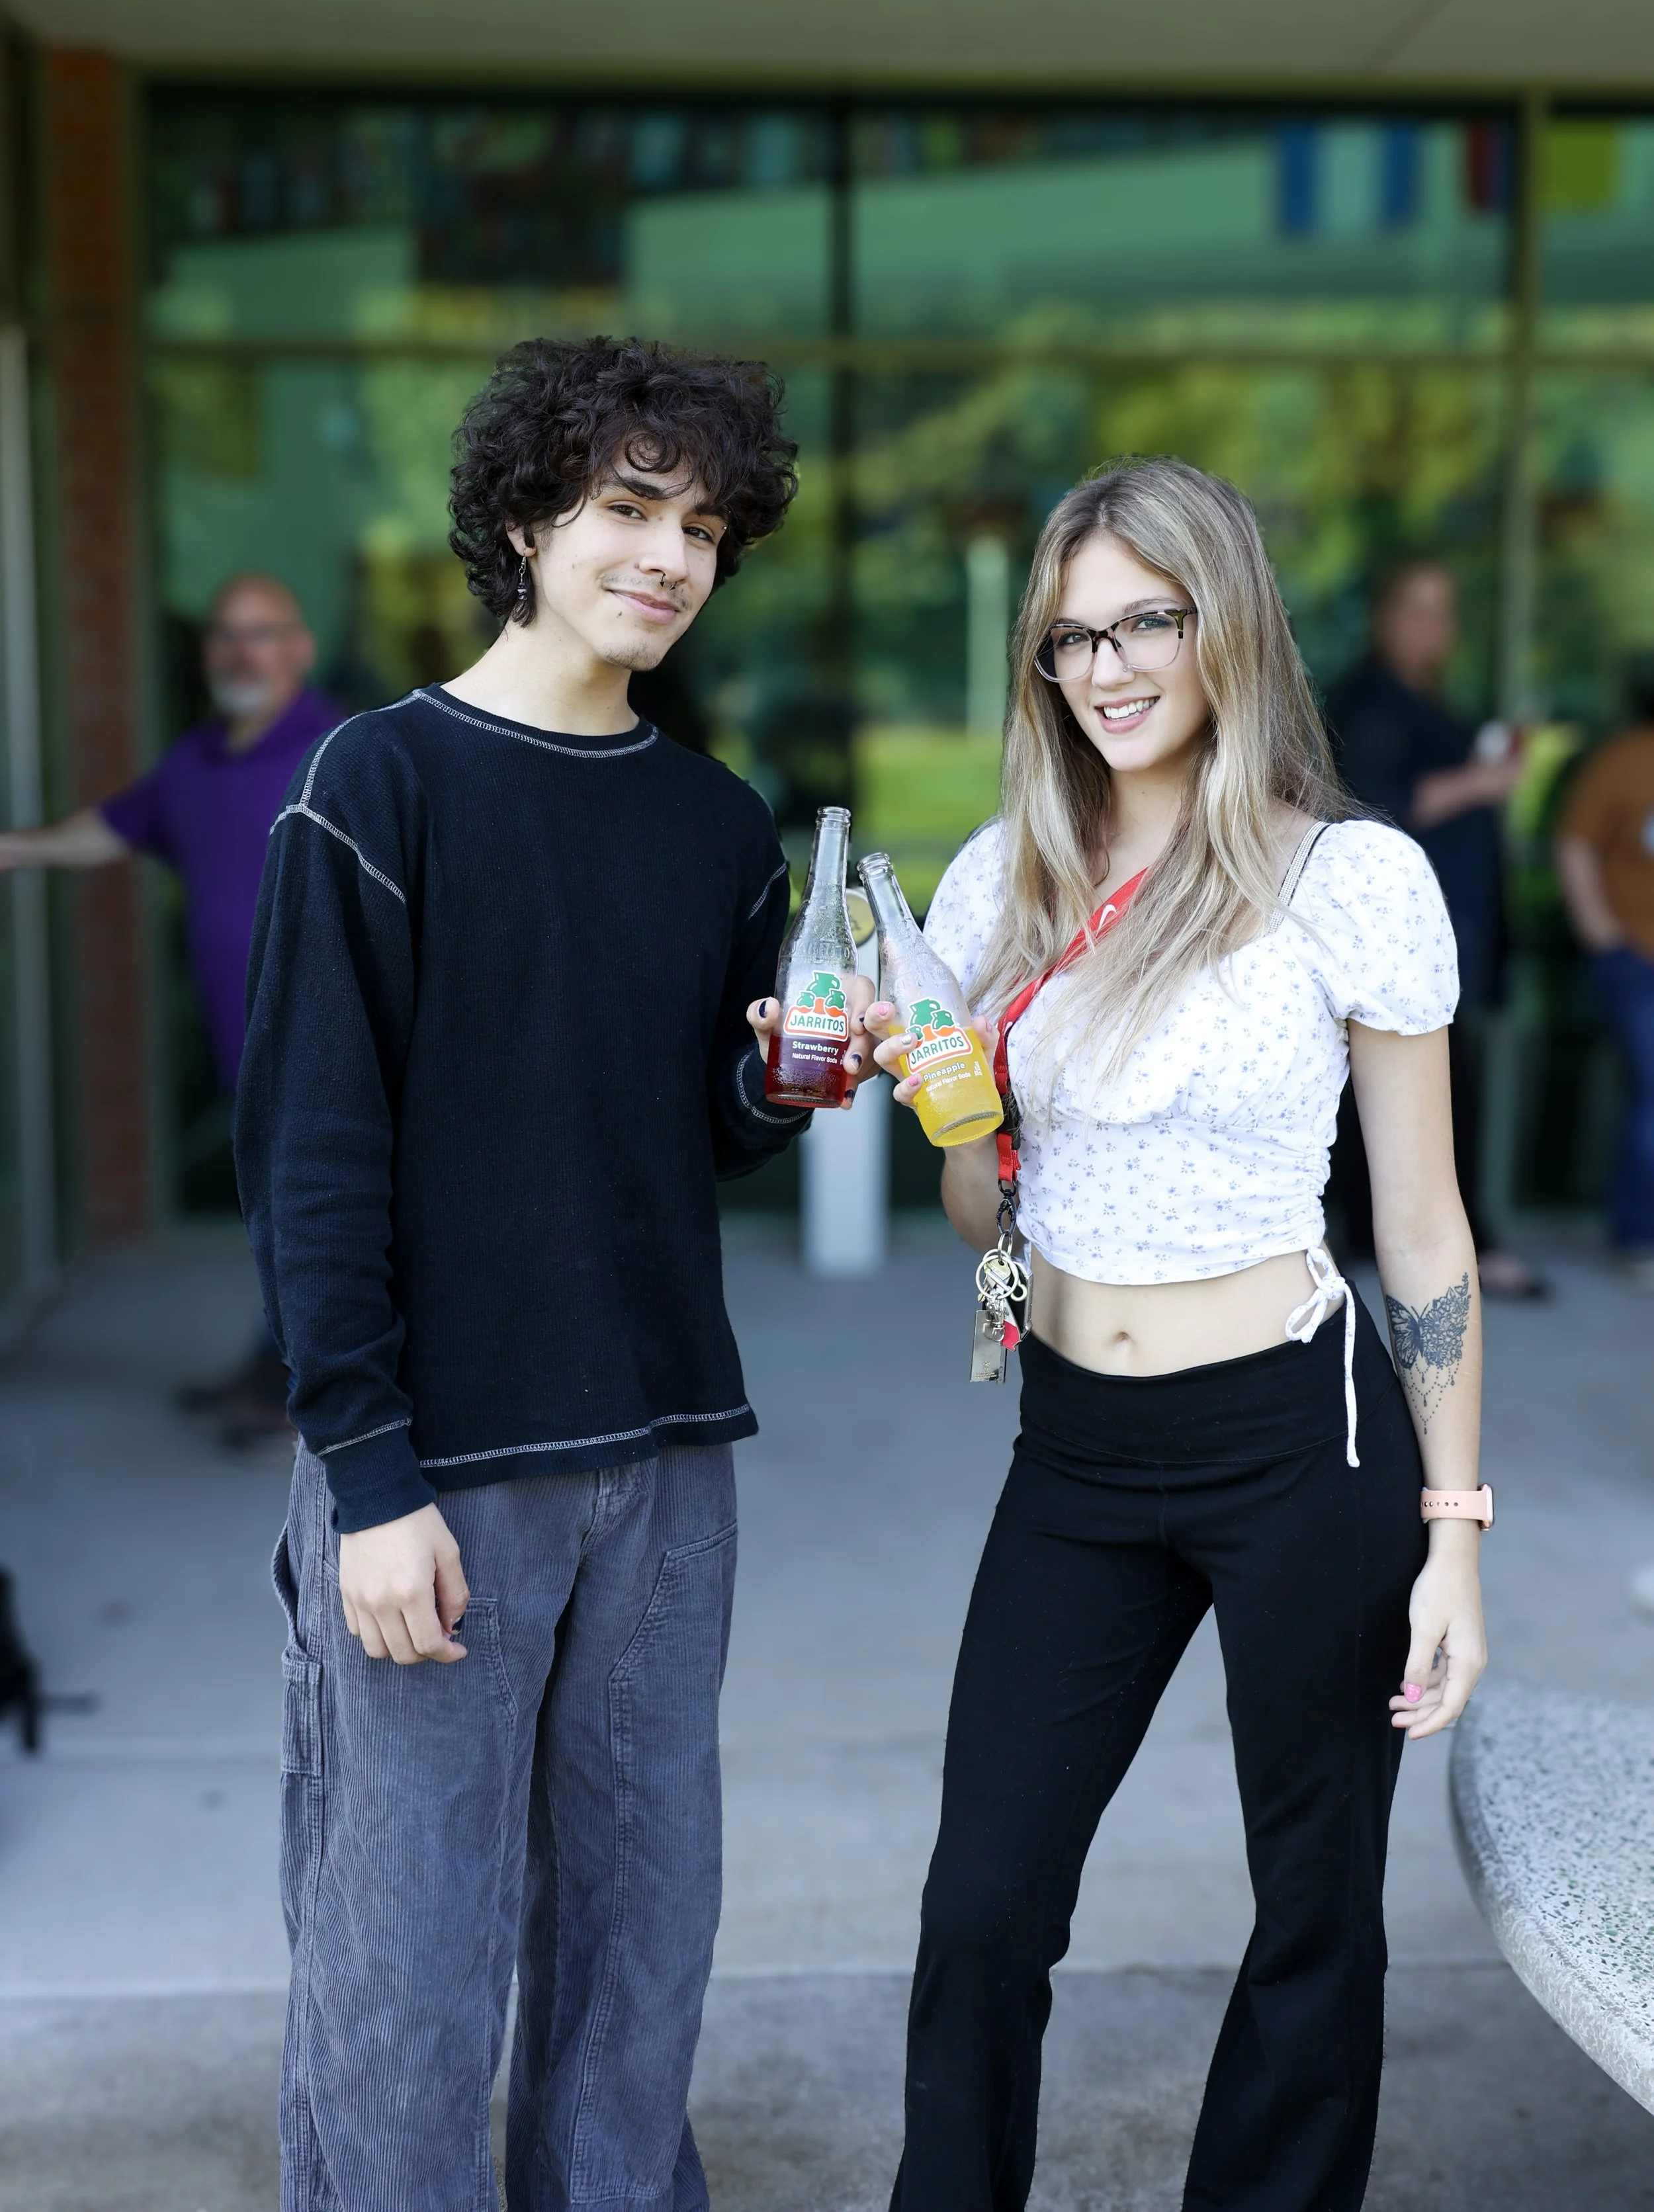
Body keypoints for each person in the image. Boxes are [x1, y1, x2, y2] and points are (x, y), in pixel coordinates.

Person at [236, 337, 871, 2212]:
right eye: (623, 509)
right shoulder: (379, 781)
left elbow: (707, 1127)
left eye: (699, 525)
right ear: (522, 518)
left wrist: (775, 1080)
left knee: (640, 1934)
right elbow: (312, 1159)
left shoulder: (712, 821)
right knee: (406, 1956)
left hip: (668, 1462)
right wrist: (368, 1474)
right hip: (444, 1464)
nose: (668, 555)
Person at [866, 459, 1489, 2212]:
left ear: (1227, 622)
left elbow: (1421, 1225)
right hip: (1071, 1449)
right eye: (1071, 635)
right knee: (980, 1901)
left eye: (1147, 618)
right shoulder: (1005, 883)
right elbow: (987, 1213)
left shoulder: (1346, 883)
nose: (1108, 666)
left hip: (1302, 1440)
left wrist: (1453, 1532)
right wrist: (955, 1128)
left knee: (1310, 1903)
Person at [0, 574, 342, 1427]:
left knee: (323, 1228)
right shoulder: (194, 762)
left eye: (261, 633)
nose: (242, 651)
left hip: (335, 1043)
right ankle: (275, 1363)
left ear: (299, 649)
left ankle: (318, 1403)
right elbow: (113, 826)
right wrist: (17, 847)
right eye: (226, 635)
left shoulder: (346, 750)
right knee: (278, 1223)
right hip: (246, 1046)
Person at [1325, 559, 1542, 1297]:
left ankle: (1399, 1241)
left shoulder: (1428, 698)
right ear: (1382, 614)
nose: (1432, 627)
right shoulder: (1366, 700)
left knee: (1436, 1093)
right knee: (1430, 1098)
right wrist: (1480, 784)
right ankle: (1449, 1243)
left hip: (1449, 931)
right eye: (1416, 608)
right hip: (1397, 940)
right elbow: (1370, 802)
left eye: (1443, 610)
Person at [1555, 668, 1654, 1285]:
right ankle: (1640, 1235)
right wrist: (1603, 939)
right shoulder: (1625, 759)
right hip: (1637, 958)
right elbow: (1575, 844)